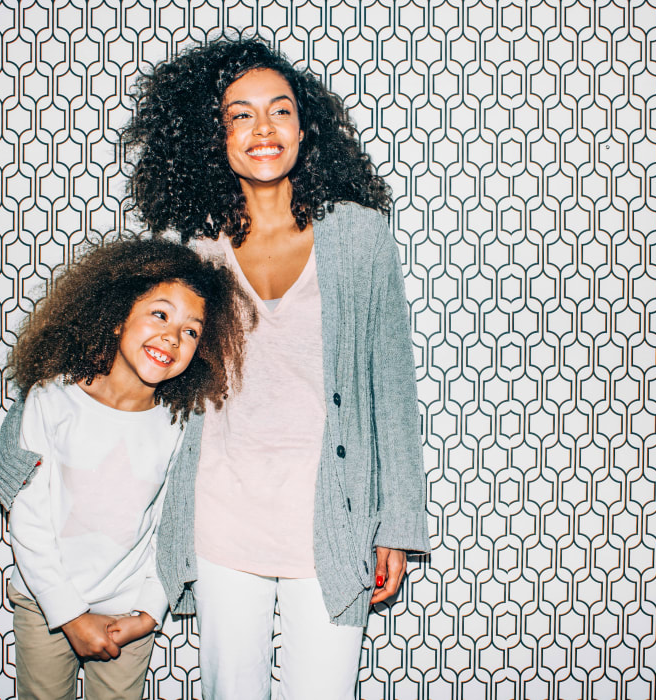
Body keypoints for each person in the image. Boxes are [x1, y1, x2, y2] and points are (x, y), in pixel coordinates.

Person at [120, 35, 430, 698]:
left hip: (333, 514)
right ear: (217, 136)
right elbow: (141, 362)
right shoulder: (189, 242)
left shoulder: (359, 233)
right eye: (241, 114)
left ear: (304, 126)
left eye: (279, 110)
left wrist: (395, 527)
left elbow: (392, 390)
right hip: (222, 512)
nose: (263, 129)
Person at [0, 238, 252, 700]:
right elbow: (27, 518)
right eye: (161, 315)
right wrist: (67, 613)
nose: (173, 336)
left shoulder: (181, 424)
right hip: (44, 603)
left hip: (129, 615)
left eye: (192, 331)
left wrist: (149, 611)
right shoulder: (51, 400)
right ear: (115, 317)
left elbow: (173, 526)